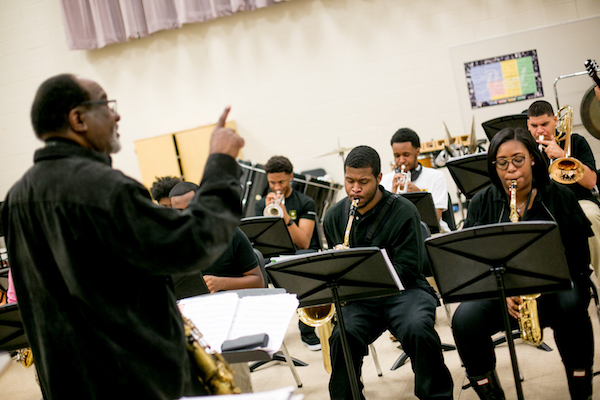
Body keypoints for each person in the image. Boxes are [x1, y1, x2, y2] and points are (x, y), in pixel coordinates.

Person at [1, 74, 245, 400]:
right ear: (77, 119)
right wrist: (221, 161)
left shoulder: (17, 198)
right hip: (130, 380)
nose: (116, 115)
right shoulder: (104, 188)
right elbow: (193, 243)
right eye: (105, 104)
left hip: (66, 383)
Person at [452, 127, 594, 400]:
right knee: (464, 320)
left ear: (532, 158)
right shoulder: (482, 202)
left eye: (518, 159)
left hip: (554, 286)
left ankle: (580, 383)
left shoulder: (559, 196)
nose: (510, 170)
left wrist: (540, 283)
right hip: (503, 293)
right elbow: (471, 260)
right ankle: (490, 391)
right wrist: (500, 291)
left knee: (573, 306)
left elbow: (579, 259)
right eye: (502, 163)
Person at [323, 145, 453, 400]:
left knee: (418, 329)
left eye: (363, 182)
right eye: (349, 181)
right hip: (362, 298)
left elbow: (409, 267)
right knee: (342, 337)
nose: (355, 189)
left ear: (379, 178)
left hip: (406, 290)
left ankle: (436, 395)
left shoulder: (404, 211)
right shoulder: (334, 217)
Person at [253, 155, 322, 350]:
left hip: (300, 253)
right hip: (274, 255)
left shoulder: (305, 202)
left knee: (303, 262)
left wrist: (285, 217)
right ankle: (266, 331)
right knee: (255, 265)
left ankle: (307, 331)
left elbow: (303, 241)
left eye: (281, 181)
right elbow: (261, 243)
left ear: (291, 176)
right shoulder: (261, 205)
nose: (276, 187)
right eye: (272, 182)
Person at [527, 100, 600, 280]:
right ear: (528, 125)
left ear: (555, 120)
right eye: (534, 126)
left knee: (591, 216)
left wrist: (564, 157)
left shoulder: (576, 141)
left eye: (545, 124)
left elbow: (591, 182)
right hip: (543, 206)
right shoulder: (526, 151)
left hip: (579, 202)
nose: (540, 130)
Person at [168, 181, 264, 295]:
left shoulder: (232, 235)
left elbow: (258, 282)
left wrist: (221, 283)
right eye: (180, 211)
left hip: (232, 305)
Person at [380, 128, 451, 232]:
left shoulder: (436, 176)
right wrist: (390, 197)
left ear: (417, 152)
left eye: (406, 155)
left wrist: (419, 195)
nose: (401, 160)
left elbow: (436, 218)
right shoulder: (385, 180)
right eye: (397, 156)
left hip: (432, 234)